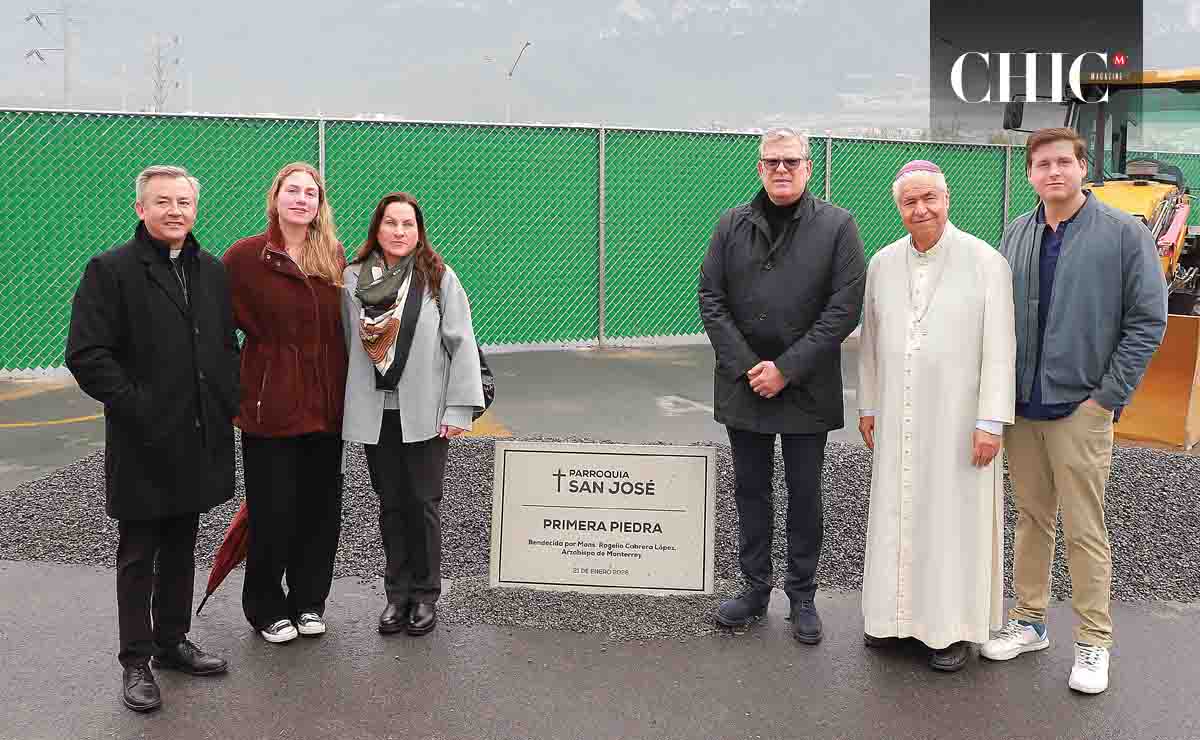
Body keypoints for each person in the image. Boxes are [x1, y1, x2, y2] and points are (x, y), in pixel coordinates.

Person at [981, 128, 1168, 694]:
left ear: (1083, 168)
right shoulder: (1018, 231)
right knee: (1031, 519)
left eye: (1064, 161)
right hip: (1023, 407)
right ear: (1030, 174)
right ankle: (1030, 621)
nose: (1054, 172)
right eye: (1042, 164)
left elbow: (1147, 320)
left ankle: (1093, 642)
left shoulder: (1124, 233)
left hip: (1080, 407)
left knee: (1085, 528)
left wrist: (1106, 397)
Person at [65, 164, 238, 713]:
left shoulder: (211, 271)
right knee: (139, 554)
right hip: (142, 440)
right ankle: (135, 661)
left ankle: (171, 641)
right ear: (140, 209)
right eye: (162, 202)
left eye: (183, 202)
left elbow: (223, 345)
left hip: (197, 437)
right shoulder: (111, 270)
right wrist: (138, 406)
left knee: (183, 545)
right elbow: (87, 353)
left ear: (195, 209)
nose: (174, 211)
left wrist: (226, 399)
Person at [698, 127, 866, 643]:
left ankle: (802, 596)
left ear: (808, 167)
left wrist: (786, 369)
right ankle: (754, 589)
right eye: (772, 161)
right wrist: (751, 367)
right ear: (759, 168)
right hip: (744, 384)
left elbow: (844, 308)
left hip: (806, 387)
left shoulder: (838, 227)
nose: (781, 170)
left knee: (804, 494)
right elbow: (711, 299)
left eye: (791, 161)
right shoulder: (731, 225)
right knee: (750, 490)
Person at [857, 160, 1015, 672]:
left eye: (930, 198)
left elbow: (1001, 348)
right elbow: (871, 343)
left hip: (959, 420)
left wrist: (991, 421)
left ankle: (950, 631)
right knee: (896, 514)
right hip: (897, 415)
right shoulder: (883, 263)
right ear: (898, 208)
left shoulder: (985, 261)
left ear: (947, 200)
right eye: (910, 201)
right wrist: (868, 404)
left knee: (951, 521)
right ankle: (893, 620)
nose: (920, 209)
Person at [341, 192, 484, 637]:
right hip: (376, 411)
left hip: (425, 412)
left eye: (408, 224)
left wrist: (459, 408)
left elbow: (461, 342)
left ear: (419, 232)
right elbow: (344, 343)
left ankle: (425, 595)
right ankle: (396, 594)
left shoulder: (437, 277)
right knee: (390, 503)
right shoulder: (352, 279)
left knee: (422, 504)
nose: (399, 231)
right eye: (391, 223)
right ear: (377, 228)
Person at [221, 162, 349, 644]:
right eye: (292, 190)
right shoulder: (245, 257)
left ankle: (309, 602)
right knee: (272, 512)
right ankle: (265, 608)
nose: (301, 199)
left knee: (320, 512)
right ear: (275, 198)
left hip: (326, 409)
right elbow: (218, 330)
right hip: (269, 411)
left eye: (310, 193)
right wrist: (244, 382)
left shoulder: (332, 255)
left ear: (320, 203)